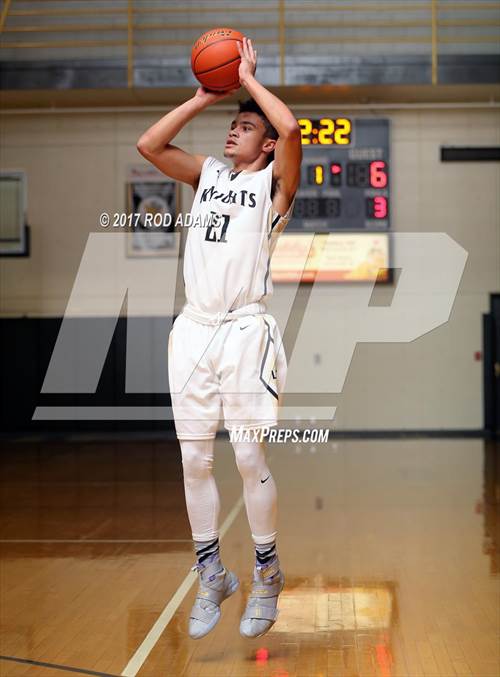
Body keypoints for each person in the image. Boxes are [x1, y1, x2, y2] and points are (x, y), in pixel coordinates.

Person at [137, 37, 302, 639]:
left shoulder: (275, 189)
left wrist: (247, 79)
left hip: (245, 331)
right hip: (193, 329)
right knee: (193, 458)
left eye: (245, 126)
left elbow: (291, 128)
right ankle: (212, 573)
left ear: (265, 145)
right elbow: (149, 146)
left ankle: (267, 572)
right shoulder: (207, 173)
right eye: (232, 123)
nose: (234, 130)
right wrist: (205, 95)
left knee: (249, 455)